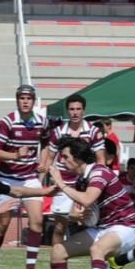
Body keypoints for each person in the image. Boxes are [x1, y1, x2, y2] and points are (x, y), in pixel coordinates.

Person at [45, 138, 135, 269]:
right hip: (103, 228)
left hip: (126, 227)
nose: (63, 161)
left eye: (65, 157)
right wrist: (73, 216)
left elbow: (88, 199)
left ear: (78, 158)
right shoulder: (82, 179)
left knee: (98, 248)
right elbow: (79, 210)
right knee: (58, 251)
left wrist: (60, 183)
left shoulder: (99, 172)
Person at [0, 84, 51, 269]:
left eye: (29, 98)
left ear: (33, 101)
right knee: (3, 223)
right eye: (22, 98)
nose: (25, 101)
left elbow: (47, 144)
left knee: (37, 221)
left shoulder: (41, 121)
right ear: (17, 100)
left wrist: (45, 162)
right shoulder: (8, 122)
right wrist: (15, 155)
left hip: (30, 177)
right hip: (7, 178)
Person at [42, 94, 106, 247]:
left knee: (95, 225)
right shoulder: (57, 132)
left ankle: (103, 261)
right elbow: (49, 158)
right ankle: (56, 263)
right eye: (71, 109)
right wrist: (42, 182)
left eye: (78, 109)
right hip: (63, 185)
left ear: (84, 110)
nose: (75, 112)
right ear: (67, 111)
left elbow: (101, 160)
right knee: (59, 227)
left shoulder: (93, 132)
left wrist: (98, 183)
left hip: (85, 185)